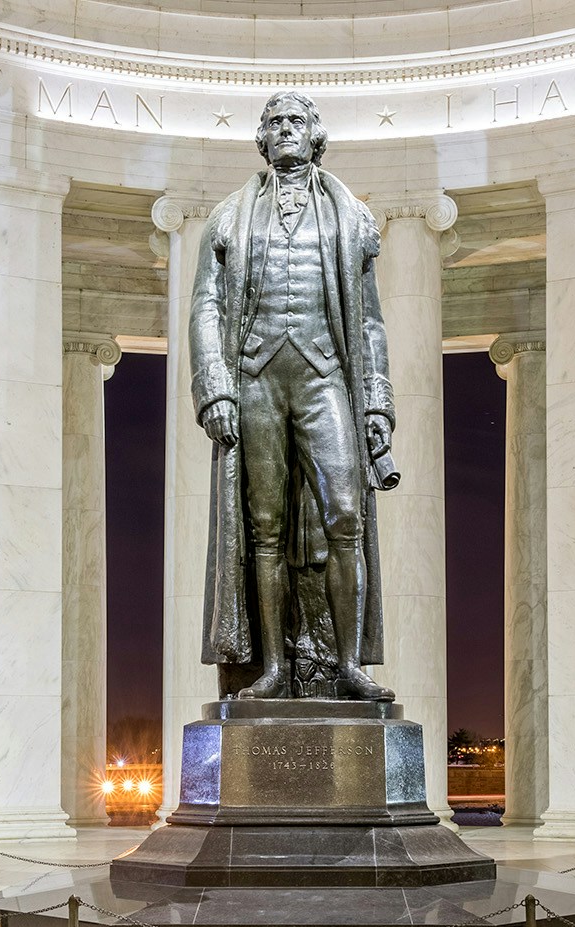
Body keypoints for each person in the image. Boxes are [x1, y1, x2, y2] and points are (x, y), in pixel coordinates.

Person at [188, 91, 398, 701]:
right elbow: (206, 303)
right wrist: (214, 388)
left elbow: (370, 322)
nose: (285, 130)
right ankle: (275, 667)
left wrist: (378, 403)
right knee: (265, 528)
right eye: (274, 122)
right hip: (254, 376)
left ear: (314, 135)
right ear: (261, 137)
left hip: (324, 376)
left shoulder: (350, 215)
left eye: (295, 122)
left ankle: (349, 665)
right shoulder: (228, 215)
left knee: (346, 515)